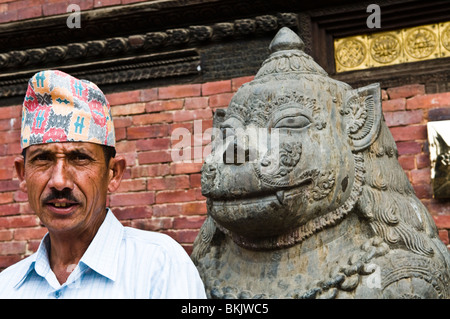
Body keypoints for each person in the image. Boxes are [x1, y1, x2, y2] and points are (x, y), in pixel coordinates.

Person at [0, 70, 206, 299]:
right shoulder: (7, 287)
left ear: (113, 174)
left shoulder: (158, 267)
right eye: (43, 159)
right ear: (22, 175)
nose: (59, 181)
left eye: (79, 158)